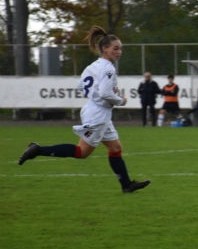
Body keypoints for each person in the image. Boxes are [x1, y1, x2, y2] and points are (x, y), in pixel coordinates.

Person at [17, 26, 150, 193]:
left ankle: (126, 185)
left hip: (94, 109)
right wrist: (120, 100)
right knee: (81, 152)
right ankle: (38, 150)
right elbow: (105, 92)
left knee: (115, 148)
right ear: (104, 49)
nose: (119, 52)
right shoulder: (108, 68)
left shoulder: (94, 65)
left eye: (120, 48)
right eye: (115, 48)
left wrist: (102, 96)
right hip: (98, 114)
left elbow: (82, 86)